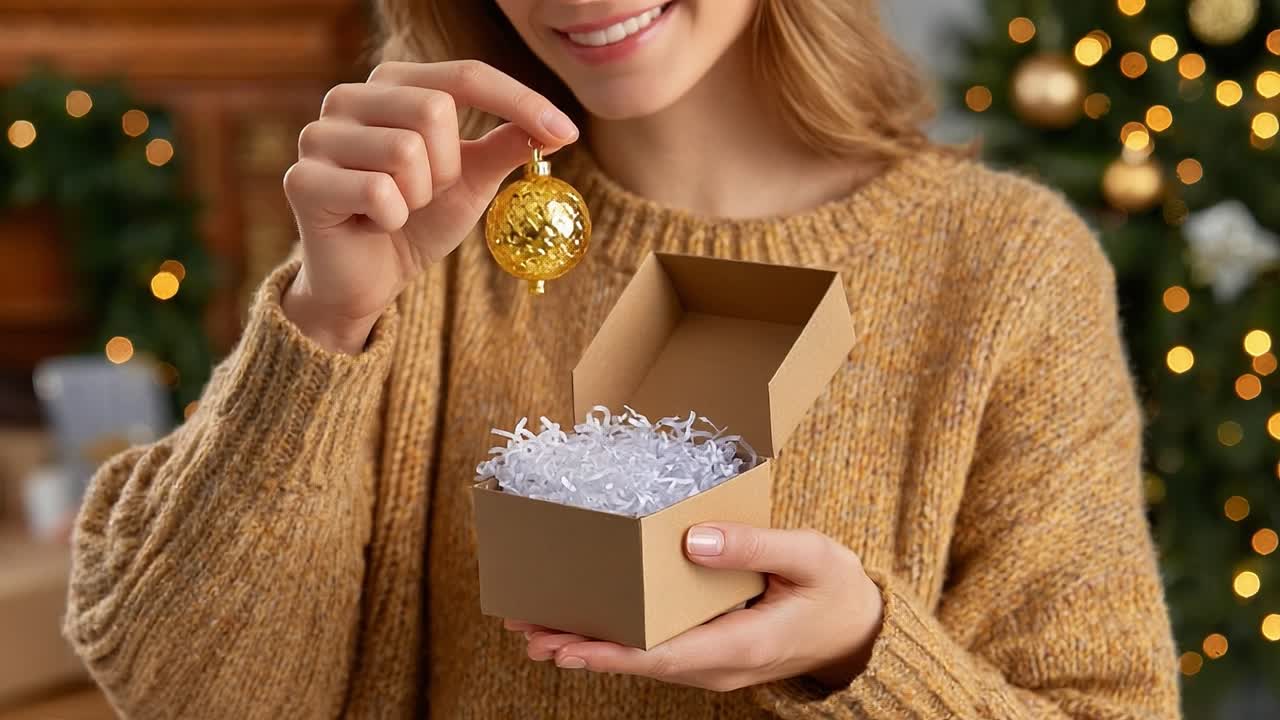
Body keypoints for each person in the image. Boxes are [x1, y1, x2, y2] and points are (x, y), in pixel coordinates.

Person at [64, 1, 1181, 718]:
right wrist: (323, 321)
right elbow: (188, 692)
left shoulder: (1000, 268)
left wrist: (862, 653)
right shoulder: (423, 235)